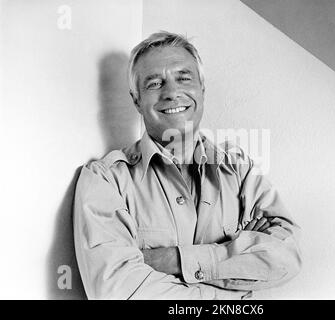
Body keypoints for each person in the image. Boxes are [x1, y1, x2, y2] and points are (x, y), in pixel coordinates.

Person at [73, 31, 302, 299]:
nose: (172, 93)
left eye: (184, 78)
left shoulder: (239, 170)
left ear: (201, 90)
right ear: (137, 100)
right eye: (155, 83)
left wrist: (173, 259)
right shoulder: (105, 180)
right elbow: (116, 290)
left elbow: (285, 257)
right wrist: (233, 265)